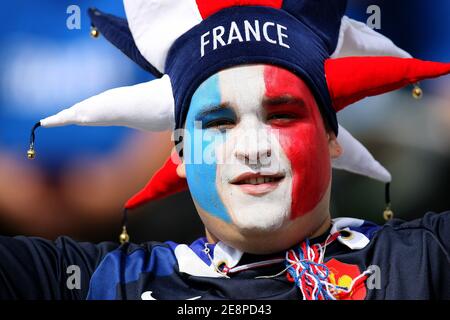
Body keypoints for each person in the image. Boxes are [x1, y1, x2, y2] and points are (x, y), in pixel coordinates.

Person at [2, 0, 449, 300]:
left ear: (331, 136)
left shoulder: (420, 262)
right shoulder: (108, 284)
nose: (253, 147)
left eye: (282, 115)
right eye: (219, 121)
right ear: (177, 150)